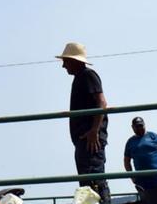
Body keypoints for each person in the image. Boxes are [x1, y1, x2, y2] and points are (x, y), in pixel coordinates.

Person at [57, 42, 111, 204]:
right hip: (85, 140)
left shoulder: (88, 75)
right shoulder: (81, 77)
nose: (64, 65)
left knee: (94, 181)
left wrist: (94, 131)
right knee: (88, 183)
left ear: (74, 61)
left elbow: (102, 103)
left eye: (66, 61)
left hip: (90, 140)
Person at [123, 116, 157, 190]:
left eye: (141, 125)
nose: (140, 128)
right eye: (137, 126)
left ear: (144, 125)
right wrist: (132, 177)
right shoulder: (130, 142)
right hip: (142, 177)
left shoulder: (154, 136)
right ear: (132, 127)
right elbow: (126, 161)